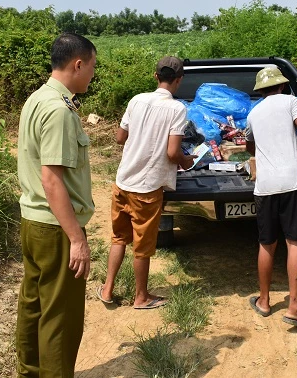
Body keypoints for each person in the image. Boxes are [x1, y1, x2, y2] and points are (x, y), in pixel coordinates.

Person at [16, 33, 97, 377]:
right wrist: (76, 238)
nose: (92, 75)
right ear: (77, 65)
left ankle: (29, 372)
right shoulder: (58, 110)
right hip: (55, 227)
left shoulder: (37, 98)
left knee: (34, 306)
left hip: (34, 222)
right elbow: (52, 180)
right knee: (60, 317)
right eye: (92, 68)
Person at [99, 56, 195, 309]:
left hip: (123, 181)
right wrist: (186, 161)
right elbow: (173, 153)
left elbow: (120, 138)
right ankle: (141, 297)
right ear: (179, 80)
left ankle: (107, 289)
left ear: (155, 77)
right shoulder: (177, 109)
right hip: (147, 188)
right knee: (142, 246)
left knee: (119, 237)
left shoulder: (136, 100)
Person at [245, 66, 297, 329]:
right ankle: (295, 309)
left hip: (265, 186)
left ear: (261, 90)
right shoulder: (290, 101)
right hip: (293, 183)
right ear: (282, 85)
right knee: (294, 242)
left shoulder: (253, 113)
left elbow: (249, 146)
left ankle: (263, 301)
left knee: (267, 243)